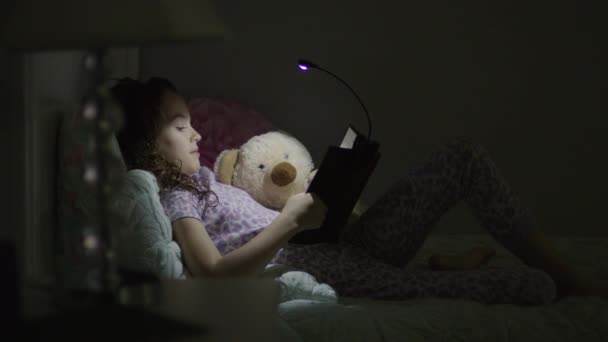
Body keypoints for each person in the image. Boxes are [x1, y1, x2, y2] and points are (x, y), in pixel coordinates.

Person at [111, 77, 603, 305]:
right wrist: (290, 223)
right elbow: (215, 274)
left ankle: (564, 271)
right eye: (180, 124)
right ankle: (541, 278)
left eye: (193, 122)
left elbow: (248, 219)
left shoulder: (202, 180)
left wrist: (329, 199)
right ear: (145, 141)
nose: (196, 134)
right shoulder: (173, 194)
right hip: (342, 273)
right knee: (532, 289)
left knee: (463, 156)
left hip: (341, 245)